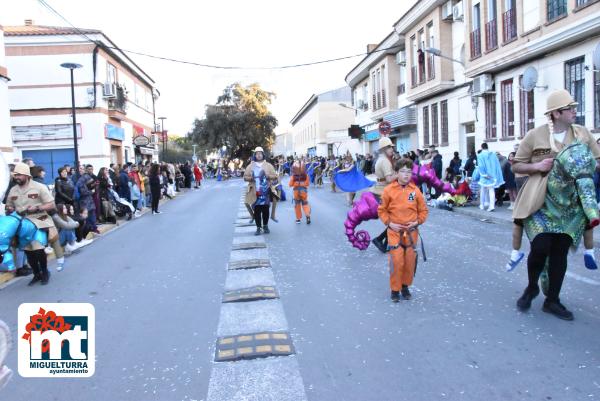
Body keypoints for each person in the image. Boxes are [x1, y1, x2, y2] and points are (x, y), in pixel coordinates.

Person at [512, 89, 600, 320]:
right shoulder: (535, 135)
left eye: (573, 107)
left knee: (560, 252)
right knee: (540, 247)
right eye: (570, 108)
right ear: (556, 113)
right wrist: (537, 167)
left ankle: (552, 300)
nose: (574, 111)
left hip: (571, 206)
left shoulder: (582, 134)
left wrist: (585, 168)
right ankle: (532, 286)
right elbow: (517, 166)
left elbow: (597, 160)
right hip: (541, 201)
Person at [378, 158, 429, 302]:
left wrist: (417, 221)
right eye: (403, 171)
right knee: (397, 261)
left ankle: (405, 286)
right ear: (396, 173)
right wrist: (389, 223)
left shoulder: (415, 191)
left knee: (409, 261)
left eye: (409, 172)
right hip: (394, 232)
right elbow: (382, 210)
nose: (406, 175)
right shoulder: (388, 190)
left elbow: (423, 211)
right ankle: (395, 289)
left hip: (411, 233)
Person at [5, 163, 57, 285]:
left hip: (38, 220)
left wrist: (37, 208)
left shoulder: (39, 187)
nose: (16, 177)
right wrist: (9, 209)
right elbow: (9, 205)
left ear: (27, 175)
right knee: (28, 251)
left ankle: (45, 272)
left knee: (38, 249)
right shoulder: (13, 190)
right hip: (22, 224)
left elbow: (51, 204)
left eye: (19, 175)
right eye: (15, 175)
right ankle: (36, 274)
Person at [371, 137, 399, 253]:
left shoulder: (382, 159)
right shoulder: (385, 161)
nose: (392, 149)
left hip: (381, 191)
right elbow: (389, 179)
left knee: (395, 219)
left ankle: (385, 242)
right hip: (384, 192)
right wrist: (401, 174)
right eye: (390, 147)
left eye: (392, 147)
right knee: (396, 219)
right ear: (384, 149)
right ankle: (380, 240)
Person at [244, 147, 277, 235]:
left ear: (263, 154)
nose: (258, 155)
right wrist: (251, 178)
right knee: (257, 210)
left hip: (266, 191)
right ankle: (258, 227)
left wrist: (268, 176)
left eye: (260, 153)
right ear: (255, 155)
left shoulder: (268, 165)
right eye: (257, 153)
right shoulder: (251, 166)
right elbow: (245, 177)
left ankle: (265, 226)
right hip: (255, 191)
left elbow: (275, 176)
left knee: (265, 210)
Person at [477, 143, 504, 212]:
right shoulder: (493, 155)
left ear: (482, 147)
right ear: (487, 147)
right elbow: (497, 165)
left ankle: (482, 205)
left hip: (485, 175)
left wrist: (484, 174)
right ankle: (491, 206)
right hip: (492, 175)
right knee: (491, 190)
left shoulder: (480, 155)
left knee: (483, 190)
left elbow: (481, 166)